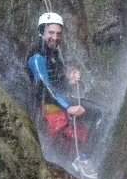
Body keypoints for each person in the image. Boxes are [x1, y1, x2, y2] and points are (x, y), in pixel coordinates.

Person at [27, 12, 89, 153]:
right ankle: (75, 159)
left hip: (57, 101)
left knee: (96, 115)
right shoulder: (37, 57)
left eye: (58, 33)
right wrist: (68, 107)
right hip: (45, 107)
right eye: (51, 33)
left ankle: (83, 156)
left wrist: (70, 80)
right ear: (42, 32)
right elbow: (44, 87)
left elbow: (58, 79)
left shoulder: (52, 53)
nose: (55, 37)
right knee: (69, 133)